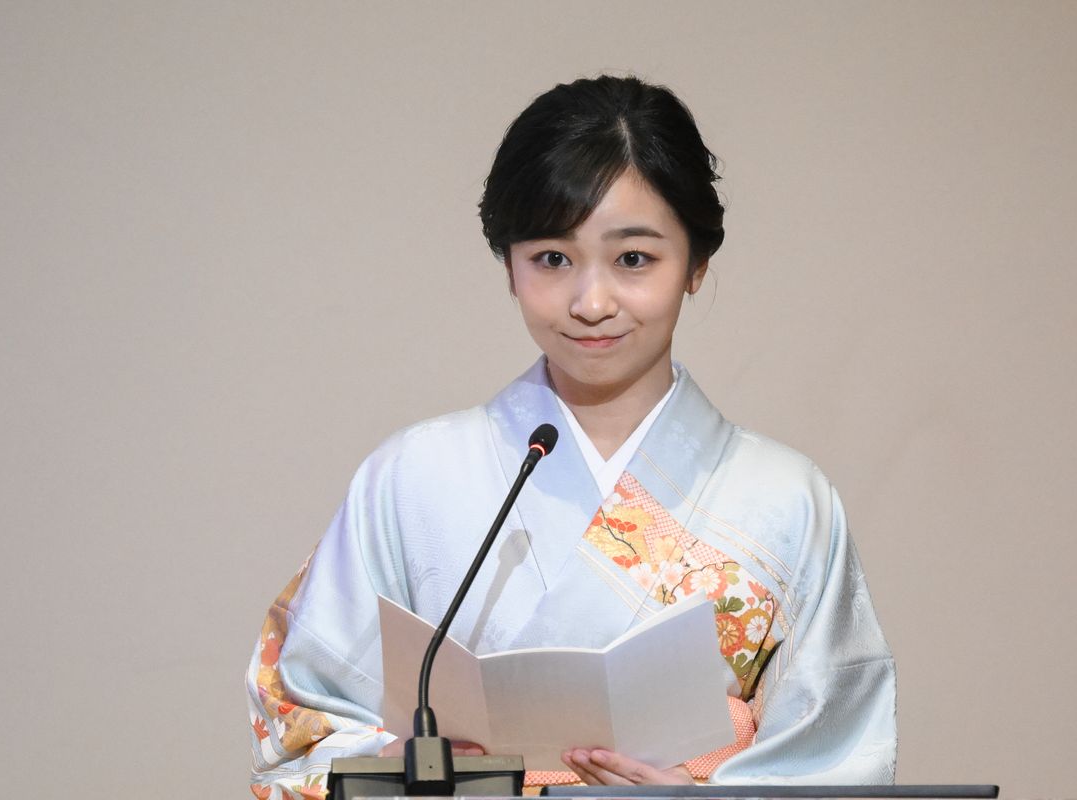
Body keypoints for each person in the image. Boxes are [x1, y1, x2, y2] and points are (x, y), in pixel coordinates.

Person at [245, 75, 896, 799]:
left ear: (697, 264)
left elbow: (835, 756)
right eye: (553, 258)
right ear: (509, 264)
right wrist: (421, 765)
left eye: (634, 259)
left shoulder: (787, 499)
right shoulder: (411, 477)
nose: (591, 303)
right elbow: (304, 714)